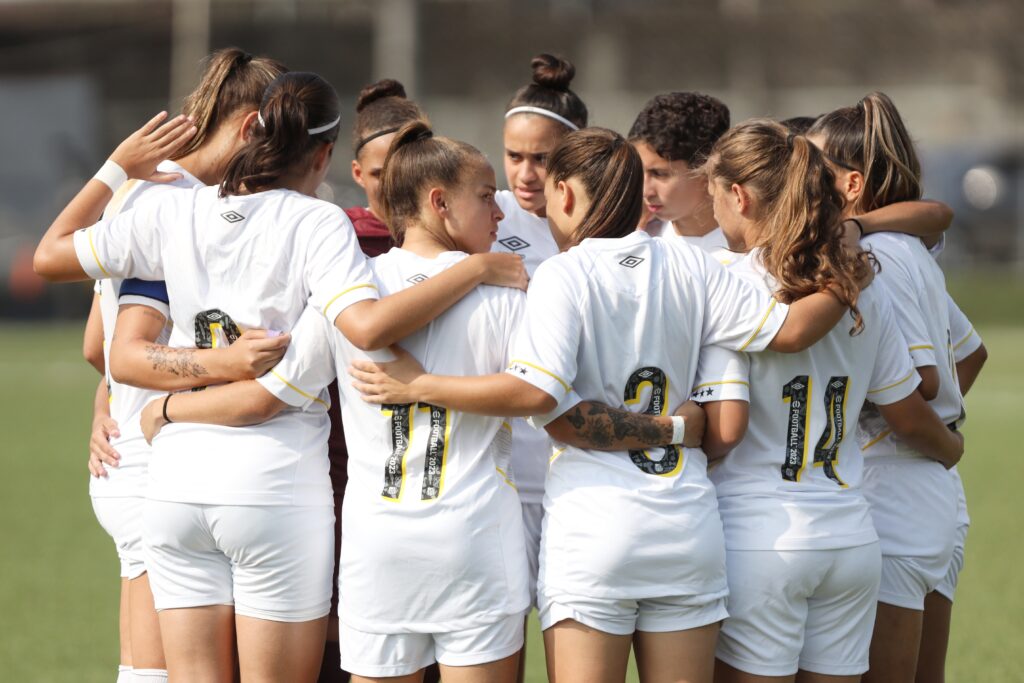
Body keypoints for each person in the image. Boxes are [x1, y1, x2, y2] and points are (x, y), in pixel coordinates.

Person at [33, 72, 527, 683]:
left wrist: (115, 167)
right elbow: (363, 330)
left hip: (175, 484)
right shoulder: (319, 225)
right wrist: (477, 269)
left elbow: (49, 257)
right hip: (271, 484)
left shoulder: (173, 210)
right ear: (323, 155)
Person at [346, 127, 874, 683]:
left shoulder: (561, 275)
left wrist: (420, 385)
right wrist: (845, 277)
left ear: (567, 194)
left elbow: (550, 406)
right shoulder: (699, 268)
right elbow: (783, 341)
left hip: (593, 532)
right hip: (688, 528)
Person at [698, 120, 964, 683]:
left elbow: (725, 429)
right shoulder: (859, 282)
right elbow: (908, 400)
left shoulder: (724, 281)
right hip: (851, 539)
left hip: (761, 538)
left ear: (739, 197)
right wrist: (951, 445)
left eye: (712, 194)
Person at [79, 47, 287, 683]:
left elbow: (97, 346)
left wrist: (107, 398)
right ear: (253, 127)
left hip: (133, 448)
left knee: (151, 671)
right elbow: (125, 350)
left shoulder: (148, 188)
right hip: (153, 456)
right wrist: (227, 366)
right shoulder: (181, 201)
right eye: (281, 137)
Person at [808, 92, 968, 683]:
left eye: (815, 170)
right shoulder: (904, 244)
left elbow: (920, 381)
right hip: (925, 483)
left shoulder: (877, 255)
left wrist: (935, 437)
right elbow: (969, 354)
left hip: (896, 483)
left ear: (850, 185)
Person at [317, 77, 430, 683]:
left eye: (408, 167)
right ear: (358, 172)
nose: (396, 184)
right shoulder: (339, 241)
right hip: (342, 469)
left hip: (442, 478)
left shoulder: (462, 247)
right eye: (382, 171)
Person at [493, 55, 589, 665]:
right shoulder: (485, 214)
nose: (525, 174)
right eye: (514, 155)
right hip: (497, 479)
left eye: (543, 158)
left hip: (575, 479)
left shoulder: (608, 232)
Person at [629, 91, 734, 264]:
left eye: (659, 174)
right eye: (640, 172)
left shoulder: (753, 249)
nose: (645, 191)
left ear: (706, 170)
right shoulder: (634, 239)